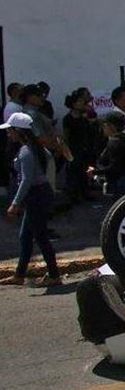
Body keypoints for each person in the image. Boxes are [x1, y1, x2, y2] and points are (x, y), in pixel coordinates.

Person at [0, 113, 59, 287]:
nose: (9, 134)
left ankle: (54, 275)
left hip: (36, 196)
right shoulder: (34, 147)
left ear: (19, 131)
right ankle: (19, 274)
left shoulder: (26, 151)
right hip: (38, 194)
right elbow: (48, 156)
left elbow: (26, 180)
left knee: (40, 237)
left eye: (10, 130)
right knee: (25, 236)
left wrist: (15, 203)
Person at [91, 112, 125, 196]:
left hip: (124, 182)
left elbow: (114, 167)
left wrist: (95, 172)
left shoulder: (114, 142)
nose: (103, 128)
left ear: (111, 127)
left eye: (105, 125)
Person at [62, 88, 97, 203]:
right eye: (80, 102)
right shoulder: (68, 119)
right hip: (73, 148)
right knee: (74, 172)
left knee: (85, 171)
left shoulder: (84, 118)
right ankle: (73, 195)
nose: (83, 104)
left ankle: (85, 192)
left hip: (85, 147)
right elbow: (66, 136)